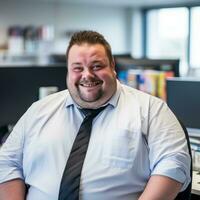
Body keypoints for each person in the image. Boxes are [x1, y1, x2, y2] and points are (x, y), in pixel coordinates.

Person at [0, 30, 191, 200]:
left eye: (96, 66)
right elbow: (7, 162)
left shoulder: (151, 110)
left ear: (112, 66)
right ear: (68, 70)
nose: (87, 75)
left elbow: (173, 165)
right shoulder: (39, 111)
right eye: (77, 68)